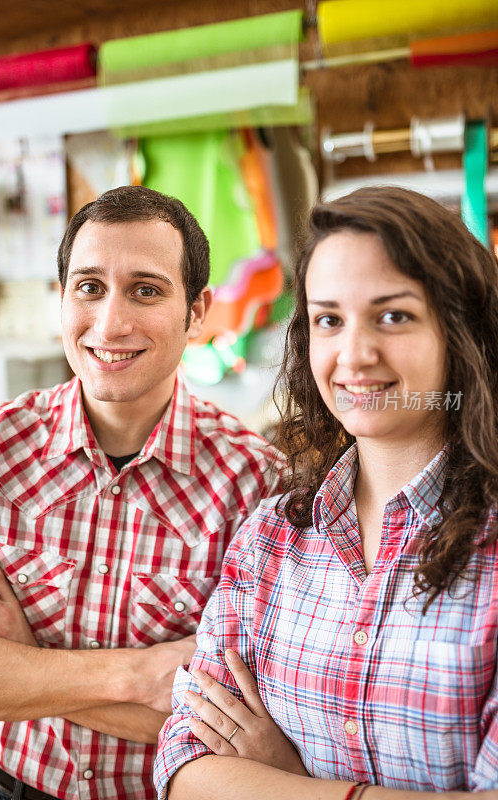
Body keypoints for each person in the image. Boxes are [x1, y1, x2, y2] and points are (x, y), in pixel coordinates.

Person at [153, 186, 498, 800]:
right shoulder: (272, 535)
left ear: (459, 331)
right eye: (329, 320)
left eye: (394, 316)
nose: (355, 355)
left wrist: (293, 781)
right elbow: (183, 768)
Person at [0, 185, 283, 800]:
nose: (110, 323)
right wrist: (136, 676)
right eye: (90, 287)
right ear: (62, 298)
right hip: (10, 787)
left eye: (146, 290)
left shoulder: (256, 483)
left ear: (198, 311)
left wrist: (22, 661)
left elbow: (241, 730)